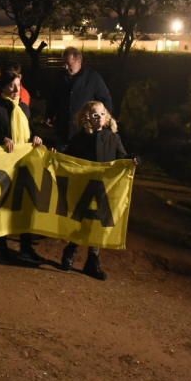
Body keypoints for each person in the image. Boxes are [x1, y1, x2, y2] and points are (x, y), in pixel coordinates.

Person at [0, 70, 45, 262]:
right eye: (11, 85)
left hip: (24, 166)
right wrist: (0, 140)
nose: (15, 89)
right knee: (3, 207)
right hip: (2, 169)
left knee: (25, 204)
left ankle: (25, 246)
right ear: (3, 87)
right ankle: (2, 246)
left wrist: (35, 138)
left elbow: (28, 133)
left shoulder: (24, 108)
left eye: (18, 85)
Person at [59, 101, 133, 280]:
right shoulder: (80, 138)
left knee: (98, 223)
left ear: (106, 116)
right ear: (87, 119)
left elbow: (122, 157)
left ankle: (92, 261)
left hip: (103, 189)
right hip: (84, 188)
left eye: (101, 114)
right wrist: (55, 152)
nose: (99, 118)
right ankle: (71, 249)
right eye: (94, 115)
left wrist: (134, 161)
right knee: (83, 220)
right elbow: (67, 154)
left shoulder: (113, 138)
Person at [49, 47, 112, 144]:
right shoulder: (60, 77)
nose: (65, 67)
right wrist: (49, 115)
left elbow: (106, 100)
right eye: (64, 63)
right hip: (62, 131)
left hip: (84, 132)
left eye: (68, 64)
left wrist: (103, 123)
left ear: (78, 61)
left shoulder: (93, 78)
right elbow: (53, 98)